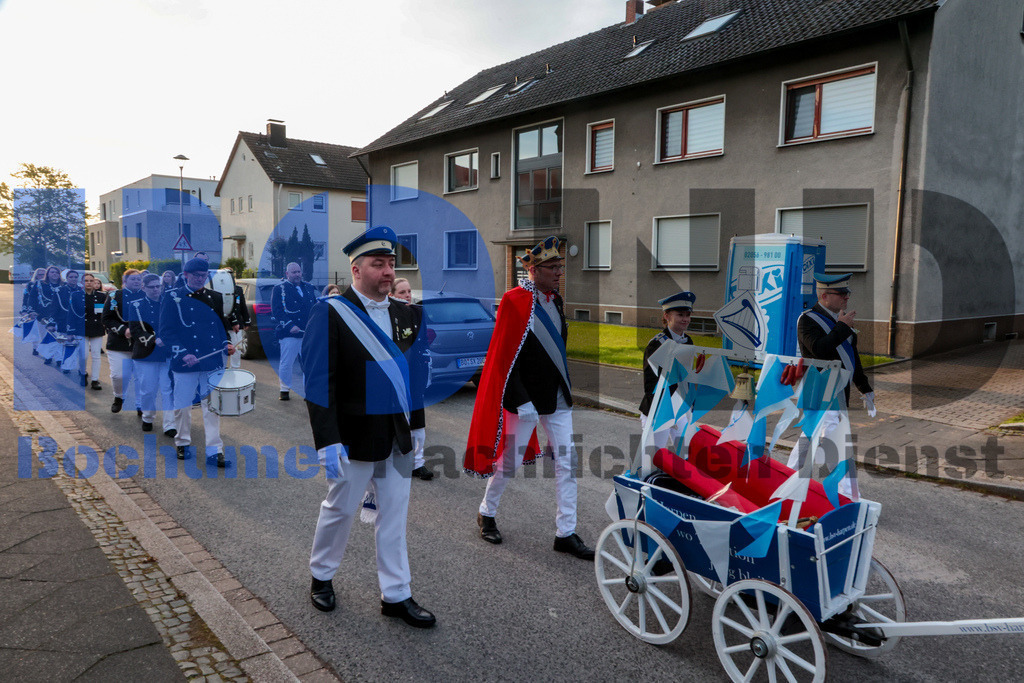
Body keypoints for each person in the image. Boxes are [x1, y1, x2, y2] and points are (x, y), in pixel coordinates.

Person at [303, 226, 434, 628]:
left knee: (394, 517)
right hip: (352, 436)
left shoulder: (404, 313)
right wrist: (327, 440)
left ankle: (396, 594)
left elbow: (409, 378)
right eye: (378, 264)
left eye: (391, 264)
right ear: (356, 270)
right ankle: (321, 577)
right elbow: (318, 380)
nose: (388, 272)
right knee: (340, 509)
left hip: (396, 434)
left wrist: (416, 426)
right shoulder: (330, 312)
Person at [464, 236, 594, 560]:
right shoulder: (514, 300)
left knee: (567, 463)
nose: (559, 272)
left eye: (560, 266)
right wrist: (520, 399)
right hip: (525, 401)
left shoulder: (557, 301)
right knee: (509, 461)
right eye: (553, 267)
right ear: (534, 270)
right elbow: (505, 357)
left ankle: (566, 532)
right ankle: (487, 511)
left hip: (557, 399)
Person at [787, 273, 875, 495]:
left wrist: (864, 388)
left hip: (837, 392)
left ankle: (788, 480)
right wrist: (843, 328)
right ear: (825, 295)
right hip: (818, 391)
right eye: (842, 294)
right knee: (833, 442)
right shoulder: (807, 319)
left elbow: (852, 358)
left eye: (848, 293)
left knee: (811, 440)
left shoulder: (840, 321)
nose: (846, 298)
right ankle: (848, 493)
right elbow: (819, 349)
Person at [160, 258, 234, 467]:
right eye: (196, 276)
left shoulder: (214, 297)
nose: (200, 279)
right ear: (186, 275)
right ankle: (182, 442)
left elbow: (221, 326)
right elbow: (166, 331)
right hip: (186, 361)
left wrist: (227, 343)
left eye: (203, 276)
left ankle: (214, 450)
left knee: (212, 406)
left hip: (210, 359)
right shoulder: (172, 296)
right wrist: (183, 353)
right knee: (182, 405)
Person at [638, 291, 696, 449]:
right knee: (653, 456)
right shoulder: (657, 343)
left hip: (679, 407)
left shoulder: (688, 341)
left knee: (685, 451)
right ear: (667, 316)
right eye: (680, 315)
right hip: (659, 408)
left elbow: (688, 375)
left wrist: (690, 402)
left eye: (687, 315)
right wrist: (663, 408)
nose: (685, 319)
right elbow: (650, 382)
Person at [389, 277, 431, 480]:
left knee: (418, 421)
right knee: (396, 421)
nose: (407, 296)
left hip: (415, 375)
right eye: (402, 292)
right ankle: (396, 461)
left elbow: (424, 343)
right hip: (395, 376)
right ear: (391, 295)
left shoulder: (419, 312)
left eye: (408, 291)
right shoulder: (387, 314)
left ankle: (418, 463)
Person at [130, 274, 175, 435]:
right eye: (152, 287)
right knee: (148, 389)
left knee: (167, 389)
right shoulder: (136, 305)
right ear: (143, 288)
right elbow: (135, 330)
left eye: (158, 286)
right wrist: (152, 339)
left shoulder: (169, 303)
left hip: (167, 353)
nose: (156, 289)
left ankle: (170, 424)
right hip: (146, 353)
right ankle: (148, 417)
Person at [272, 262, 318, 400]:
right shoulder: (280, 289)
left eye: (298, 272)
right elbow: (277, 311)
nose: (297, 274)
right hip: (289, 333)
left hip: (307, 332)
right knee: (287, 363)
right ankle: (284, 389)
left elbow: (315, 307)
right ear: (287, 274)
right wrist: (289, 325)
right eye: (293, 272)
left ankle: (308, 391)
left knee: (309, 363)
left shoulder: (309, 288)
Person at [103, 269, 145, 414]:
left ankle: (141, 405)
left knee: (141, 377)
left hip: (142, 343)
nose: (136, 282)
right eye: (133, 279)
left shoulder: (147, 296)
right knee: (119, 375)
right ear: (124, 281)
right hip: (118, 343)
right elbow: (107, 318)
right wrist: (122, 329)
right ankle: (119, 397)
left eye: (139, 279)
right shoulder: (114, 295)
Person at [81, 273, 108, 390]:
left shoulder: (101, 296)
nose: (89, 283)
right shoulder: (77, 295)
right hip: (82, 328)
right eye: (86, 280)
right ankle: (83, 372)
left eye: (91, 280)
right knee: (84, 355)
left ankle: (95, 380)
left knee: (96, 355)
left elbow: (101, 313)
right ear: (82, 282)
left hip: (96, 327)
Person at [224, 267, 250, 369]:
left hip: (237, 324)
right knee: (225, 348)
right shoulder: (219, 289)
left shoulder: (238, 289)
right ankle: (222, 368)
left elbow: (243, 306)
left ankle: (235, 368)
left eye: (231, 274)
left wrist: (247, 321)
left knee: (236, 348)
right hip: (225, 323)